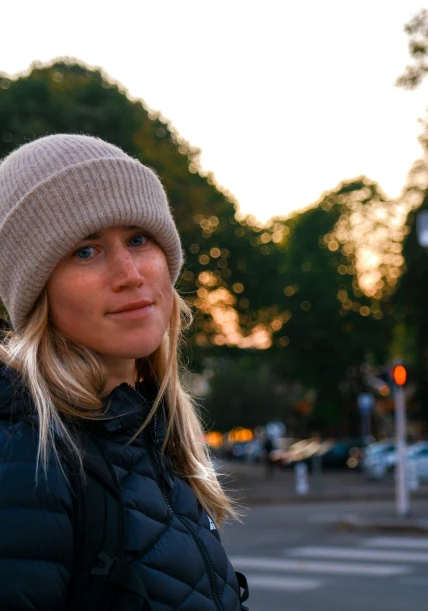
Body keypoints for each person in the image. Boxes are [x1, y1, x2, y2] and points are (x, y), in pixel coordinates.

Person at [0, 133, 248, 610]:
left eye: (139, 239)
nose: (130, 273)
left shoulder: (151, 437)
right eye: (86, 251)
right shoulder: (25, 455)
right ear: (36, 290)